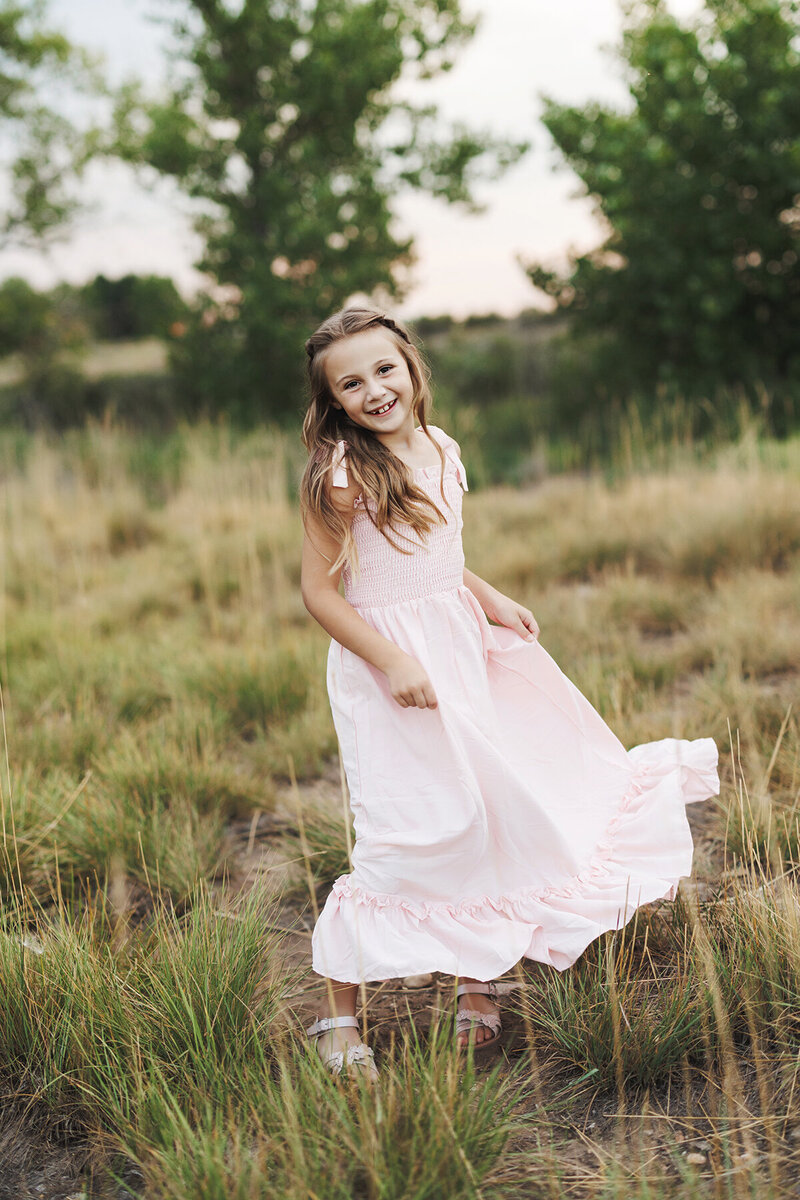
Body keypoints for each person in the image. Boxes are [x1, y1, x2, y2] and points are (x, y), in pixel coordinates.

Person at [299, 306, 719, 1080]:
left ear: (412, 367)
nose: (374, 390)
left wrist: (487, 594)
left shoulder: (439, 446)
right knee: (404, 830)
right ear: (333, 400)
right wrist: (392, 660)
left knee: (488, 809)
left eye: (384, 369)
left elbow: (434, 554)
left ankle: (479, 981)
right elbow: (322, 596)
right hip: (391, 672)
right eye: (351, 383)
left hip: (458, 651)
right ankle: (338, 1014)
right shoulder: (343, 474)